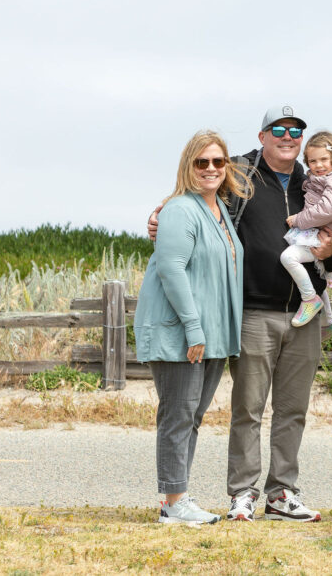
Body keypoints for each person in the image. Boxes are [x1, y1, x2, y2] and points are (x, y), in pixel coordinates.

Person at [147, 105, 332, 523]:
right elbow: (195, 197)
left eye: (296, 131)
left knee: (293, 410)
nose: (289, 137)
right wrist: (160, 214)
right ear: (263, 135)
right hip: (254, 312)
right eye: (279, 130)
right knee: (247, 408)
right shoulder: (240, 174)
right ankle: (243, 493)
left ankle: (282, 493)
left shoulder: (316, 181)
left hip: (306, 313)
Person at [134, 130, 249, 525]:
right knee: (178, 416)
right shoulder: (181, 209)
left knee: (191, 417)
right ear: (189, 166)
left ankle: (179, 494)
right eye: (203, 162)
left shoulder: (218, 209)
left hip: (211, 336)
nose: (212, 169)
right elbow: (171, 269)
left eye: (219, 162)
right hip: (183, 334)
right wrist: (194, 329)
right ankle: (173, 502)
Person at [281, 131, 332, 337]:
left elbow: (328, 210)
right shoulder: (324, 178)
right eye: (313, 161)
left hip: (326, 234)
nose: (319, 165)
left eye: (324, 159)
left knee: (288, 257)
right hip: (324, 232)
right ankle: (329, 321)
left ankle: (309, 299)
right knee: (318, 274)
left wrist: (298, 219)